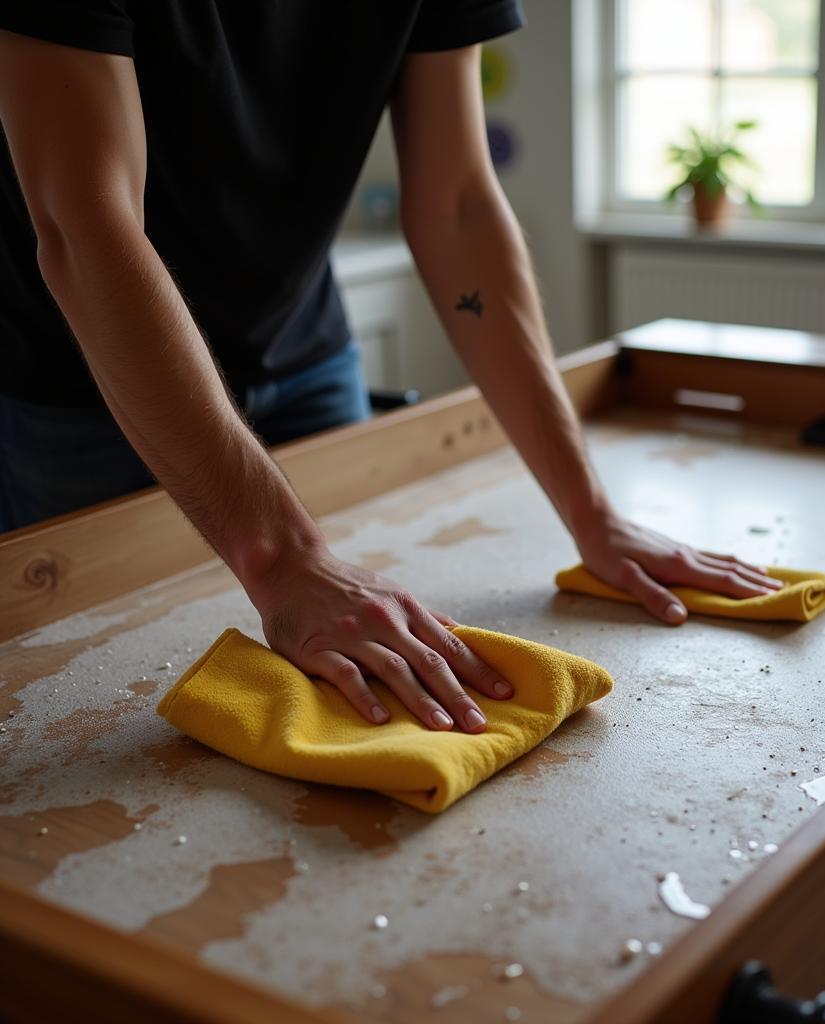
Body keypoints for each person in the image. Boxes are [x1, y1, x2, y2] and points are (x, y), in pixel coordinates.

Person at [0, 2, 781, 736]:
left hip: (307, 351)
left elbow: (459, 207)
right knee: (92, 692)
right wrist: (286, 557)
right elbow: (84, 223)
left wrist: (592, 514)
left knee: (361, 679)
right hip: (88, 389)